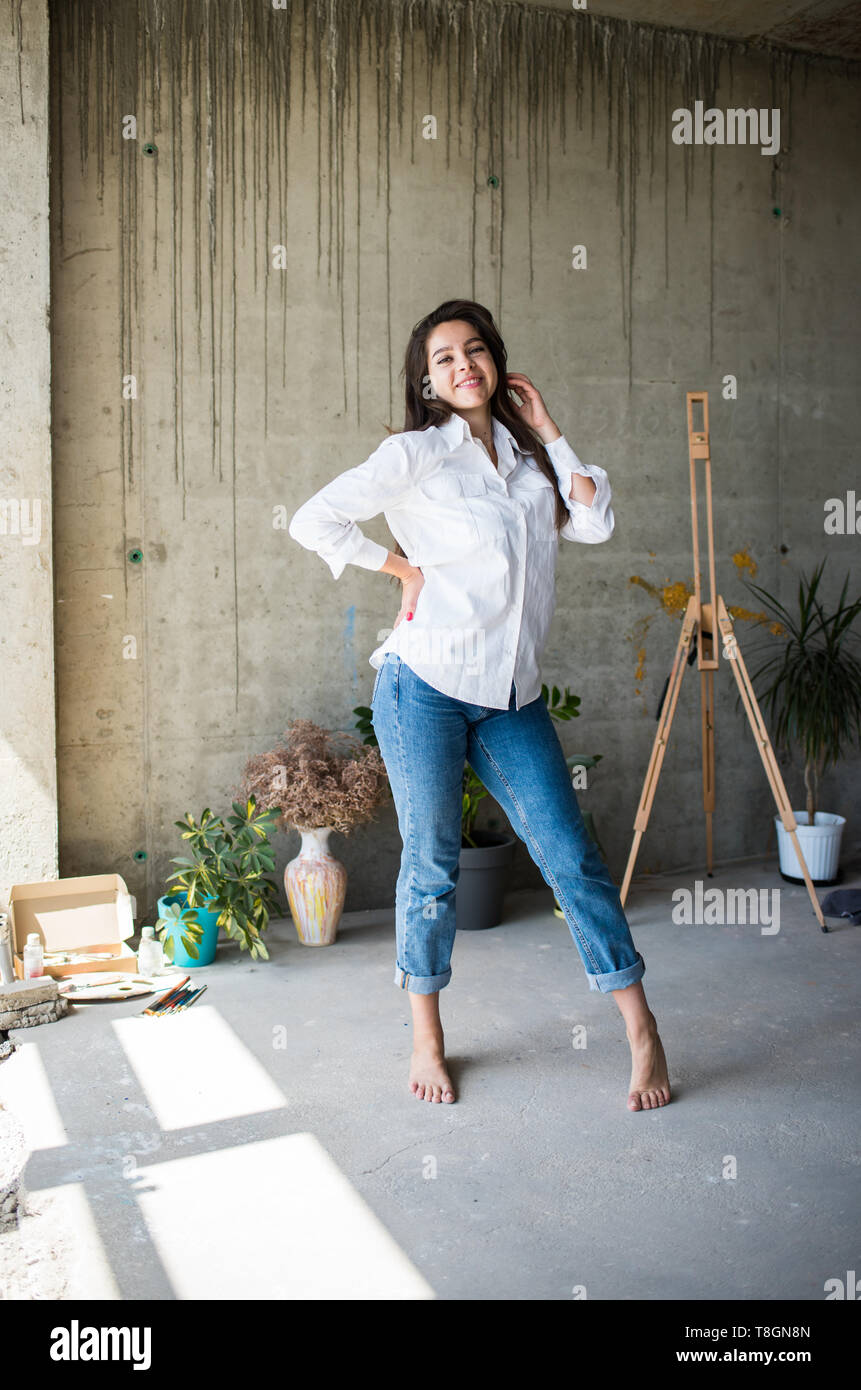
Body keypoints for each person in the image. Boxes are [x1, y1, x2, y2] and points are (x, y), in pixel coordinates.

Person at [288, 298, 671, 1113]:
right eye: (442, 358)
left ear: (496, 361)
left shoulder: (531, 464)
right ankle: (426, 1034)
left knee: (572, 859)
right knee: (430, 870)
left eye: (474, 351)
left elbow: (596, 521)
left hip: (509, 697)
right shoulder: (418, 454)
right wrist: (399, 569)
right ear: (425, 381)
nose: (461, 365)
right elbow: (313, 518)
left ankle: (640, 1030)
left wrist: (549, 427)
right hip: (422, 687)